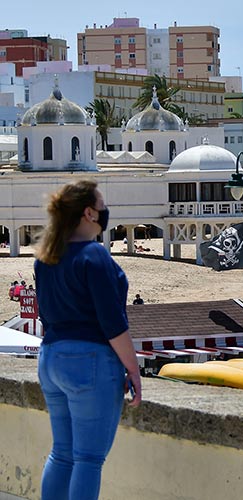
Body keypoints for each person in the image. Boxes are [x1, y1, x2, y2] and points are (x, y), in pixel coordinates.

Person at [33, 180, 141, 500]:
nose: (107, 211)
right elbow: (112, 324)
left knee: (62, 454)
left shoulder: (46, 258)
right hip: (89, 362)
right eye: (103, 205)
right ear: (89, 213)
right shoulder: (94, 255)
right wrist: (133, 369)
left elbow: (47, 316)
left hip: (51, 359)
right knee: (88, 459)